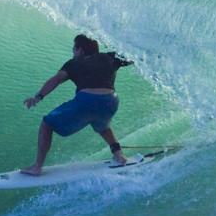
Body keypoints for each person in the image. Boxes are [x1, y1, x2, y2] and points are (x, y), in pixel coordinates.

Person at [21, 34, 133, 176]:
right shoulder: (110, 57)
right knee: (103, 127)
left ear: (80, 50)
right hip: (110, 102)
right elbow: (135, 58)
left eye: (74, 48)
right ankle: (119, 155)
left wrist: (38, 96)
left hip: (87, 100)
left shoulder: (73, 63)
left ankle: (37, 167)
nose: (73, 51)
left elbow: (57, 79)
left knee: (46, 123)